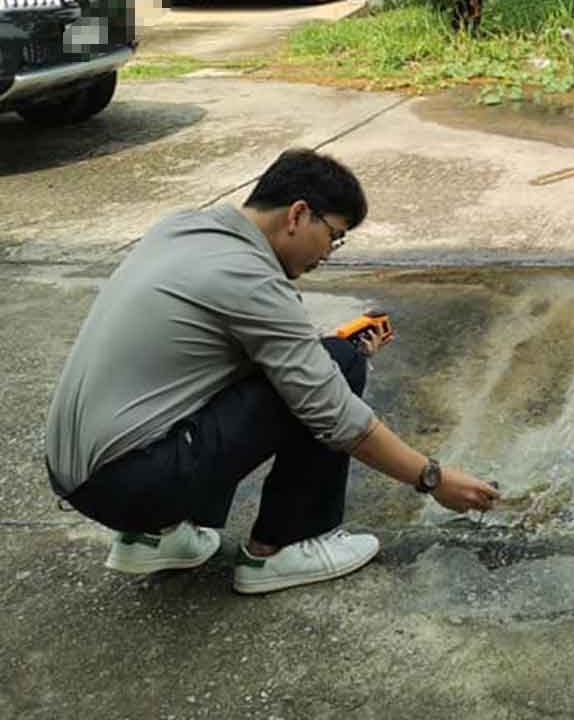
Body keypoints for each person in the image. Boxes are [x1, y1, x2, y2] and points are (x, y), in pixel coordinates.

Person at [45, 149, 501, 594]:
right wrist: (432, 477)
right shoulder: (251, 279)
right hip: (132, 483)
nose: (329, 254)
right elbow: (334, 414)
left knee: (329, 356)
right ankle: (283, 546)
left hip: (83, 472)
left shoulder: (184, 227)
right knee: (335, 367)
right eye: (334, 235)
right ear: (298, 214)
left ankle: (155, 537)